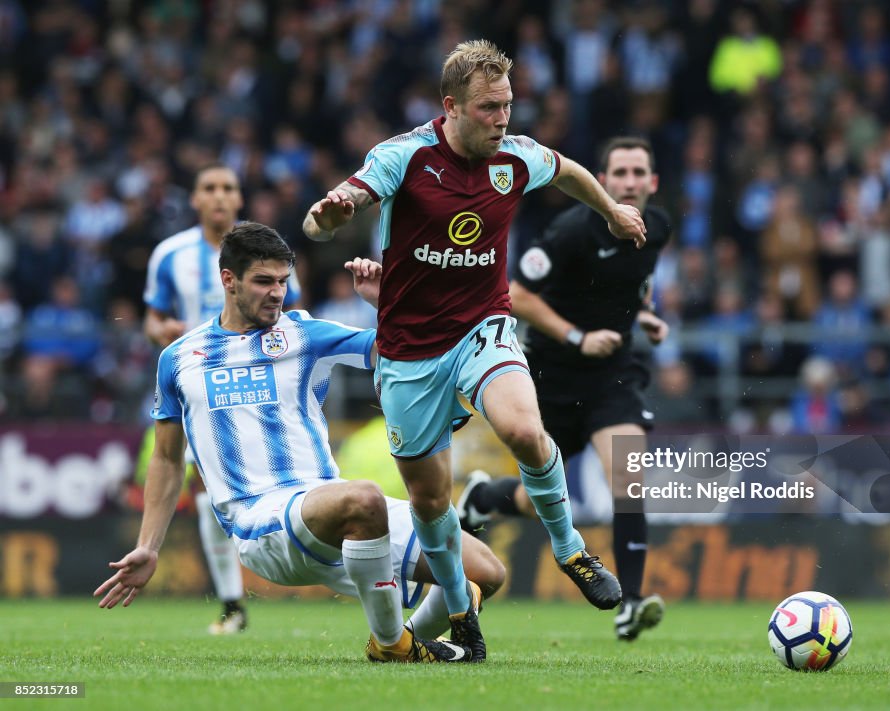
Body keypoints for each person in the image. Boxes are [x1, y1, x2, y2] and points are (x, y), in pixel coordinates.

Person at [303, 40, 644, 658]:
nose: (503, 119)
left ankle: (571, 551)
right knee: (432, 499)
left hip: (483, 328)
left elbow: (568, 170)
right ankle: (461, 614)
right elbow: (334, 206)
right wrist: (331, 214)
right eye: (489, 108)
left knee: (524, 430)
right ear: (451, 105)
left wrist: (613, 209)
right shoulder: (404, 156)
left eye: (508, 105)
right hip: (408, 352)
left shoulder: (515, 158)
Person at [95, 223, 505, 663]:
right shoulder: (179, 358)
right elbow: (167, 459)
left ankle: (400, 641)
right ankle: (393, 645)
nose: (277, 293)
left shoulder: (303, 334)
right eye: (263, 281)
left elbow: (406, 350)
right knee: (364, 496)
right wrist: (148, 546)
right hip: (258, 520)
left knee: (485, 570)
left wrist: (387, 303)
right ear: (228, 280)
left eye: (283, 281)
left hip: (326, 503)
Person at [456, 137, 671, 641]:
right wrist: (577, 336)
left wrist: (644, 314)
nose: (631, 182)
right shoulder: (572, 230)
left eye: (640, 172)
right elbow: (520, 295)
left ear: (653, 182)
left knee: (628, 472)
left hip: (613, 374)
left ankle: (631, 603)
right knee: (542, 501)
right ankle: (486, 496)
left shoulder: (657, 227)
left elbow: (636, 279)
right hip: (553, 377)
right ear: (604, 180)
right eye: (620, 173)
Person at [142, 163, 302, 634]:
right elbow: (152, 318)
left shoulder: (265, 253)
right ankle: (233, 603)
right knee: (208, 492)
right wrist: (163, 332)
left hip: (262, 385)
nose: (218, 196)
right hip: (202, 386)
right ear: (194, 200)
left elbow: (290, 314)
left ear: (239, 199)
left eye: (227, 188)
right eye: (208, 188)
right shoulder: (170, 255)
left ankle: (293, 564)